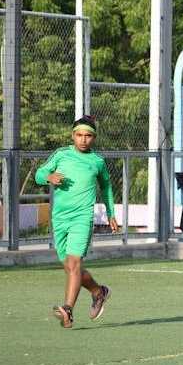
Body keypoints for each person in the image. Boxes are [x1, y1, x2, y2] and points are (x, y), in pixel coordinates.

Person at [35, 115, 118, 329]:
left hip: (82, 218)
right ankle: (99, 292)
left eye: (88, 136)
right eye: (79, 135)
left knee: (74, 263)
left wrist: (111, 213)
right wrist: (48, 177)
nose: (83, 139)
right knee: (71, 268)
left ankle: (68, 310)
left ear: (94, 138)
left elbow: (106, 187)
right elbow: (39, 173)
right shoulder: (61, 154)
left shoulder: (97, 161)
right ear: (73, 135)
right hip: (60, 218)